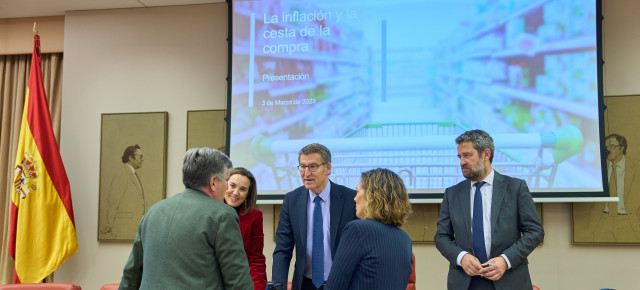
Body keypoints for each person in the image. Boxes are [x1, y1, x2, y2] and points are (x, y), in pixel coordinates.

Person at [119, 147, 253, 289]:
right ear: (213, 182)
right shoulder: (223, 215)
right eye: (226, 180)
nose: (227, 187)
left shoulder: (152, 212)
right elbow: (239, 283)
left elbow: (131, 275)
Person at [434, 130, 544, 290]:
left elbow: (535, 232)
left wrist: (505, 260)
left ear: (486, 154)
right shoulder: (452, 194)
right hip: (466, 282)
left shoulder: (515, 188)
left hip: (508, 279)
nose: (461, 162)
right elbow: (441, 237)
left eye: (467, 155)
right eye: (459, 157)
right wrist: (461, 257)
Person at [272, 143, 357, 290]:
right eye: (302, 167)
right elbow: (283, 249)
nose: (306, 173)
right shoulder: (292, 200)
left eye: (312, 166)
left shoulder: (351, 199)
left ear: (328, 168)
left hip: (342, 284)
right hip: (305, 284)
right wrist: (278, 286)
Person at [324, 168, 413, 290]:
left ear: (371, 195)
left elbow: (334, 286)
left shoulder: (358, 229)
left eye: (358, 191)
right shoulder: (405, 239)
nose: (354, 198)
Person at [579, 133, 640, 242]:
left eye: (611, 147)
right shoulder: (598, 168)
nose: (607, 151)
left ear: (622, 148)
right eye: (605, 147)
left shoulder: (636, 168)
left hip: (626, 220)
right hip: (602, 220)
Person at [224, 167, 267, 290]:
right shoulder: (208, 210)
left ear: (248, 194)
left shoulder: (255, 217)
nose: (236, 192)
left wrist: (258, 287)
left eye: (243, 189)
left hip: (238, 283)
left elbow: (255, 259)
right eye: (232, 185)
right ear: (224, 184)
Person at [101, 144, 145, 239]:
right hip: (124, 229)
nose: (142, 159)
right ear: (131, 158)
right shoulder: (122, 173)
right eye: (140, 156)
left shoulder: (133, 174)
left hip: (132, 227)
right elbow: (113, 201)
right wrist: (110, 224)